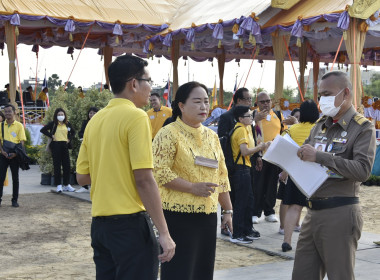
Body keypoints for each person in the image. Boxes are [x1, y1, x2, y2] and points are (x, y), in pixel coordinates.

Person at [76, 54, 175, 279]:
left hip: (100, 226)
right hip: (129, 225)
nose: (151, 88)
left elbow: (82, 177)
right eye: (148, 81)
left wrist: (112, 170)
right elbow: (143, 179)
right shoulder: (136, 117)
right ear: (133, 84)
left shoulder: (96, 120)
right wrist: (164, 232)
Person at [292, 71, 376, 279]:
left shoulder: (362, 128)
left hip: (340, 212)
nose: (322, 100)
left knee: (340, 275)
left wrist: (320, 156)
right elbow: (307, 155)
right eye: (320, 95)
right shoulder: (320, 125)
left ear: (345, 93)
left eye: (327, 94)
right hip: (312, 212)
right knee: (302, 274)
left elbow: (363, 170)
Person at [153, 81, 233, 280]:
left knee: (202, 270)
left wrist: (228, 210)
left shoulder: (212, 137)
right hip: (177, 215)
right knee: (180, 271)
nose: (204, 107)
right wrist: (191, 187)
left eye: (206, 102)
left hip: (206, 216)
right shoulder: (168, 133)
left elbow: (222, 175)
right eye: (197, 102)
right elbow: (159, 172)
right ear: (181, 105)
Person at [276, 100, 319, 252]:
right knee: (316, 208)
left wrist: (285, 170)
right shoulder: (320, 129)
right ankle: (316, 241)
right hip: (315, 173)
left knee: (294, 207)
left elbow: (281, 147)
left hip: (296, 171)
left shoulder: (292, 129)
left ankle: (287, 240)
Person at [230, 105, 269, 244]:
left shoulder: (246, 128)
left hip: (246, 168)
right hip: (240, 169)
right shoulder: (240, 130)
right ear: (240, 118)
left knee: (248, 200)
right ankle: (237, 233)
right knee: (241, 202)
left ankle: (247, 229)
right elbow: (245, 151)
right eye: (248, 116)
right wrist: (260, 147)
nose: (251, 118)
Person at [217, 87, 253, 236]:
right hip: (233, 165)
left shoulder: (248, 118)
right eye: (247, 99)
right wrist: (228, 165)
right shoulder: (227, 117)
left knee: (247, 199)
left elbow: (253, 140)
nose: (250, 102)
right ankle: (229, 227)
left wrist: (257, 157)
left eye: (251, 99)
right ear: (238, 100)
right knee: (231, 198)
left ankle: (246, 227)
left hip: (247, 163)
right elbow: (223, 142)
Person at [252, 92, 287, 224]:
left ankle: (269, 211)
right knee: (257, 184)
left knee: (272, 184)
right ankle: (255, 212)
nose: (266, 104)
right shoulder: (253, 115)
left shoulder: (278, 115)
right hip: (259, 155)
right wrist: (256, 120)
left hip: (274, 155)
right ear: (257, 103)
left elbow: (283, 132)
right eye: (262, 102)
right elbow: (251, 134)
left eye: (268, 101)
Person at [40, 108, 76, 193]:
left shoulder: (67, 124)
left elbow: (73, 132)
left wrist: (69, 139)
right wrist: (51, 135)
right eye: (59, 115)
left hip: (65, 145)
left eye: (62, 114)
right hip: (56, 145)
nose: (61, 116)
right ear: (56, 116)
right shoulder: (53, 124)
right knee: (57, 166)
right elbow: (43, 130)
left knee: (66, 165)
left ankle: (67, 184)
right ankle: (59, 185)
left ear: (64, 115)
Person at [0, 104, 26, 207]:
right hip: (3, 155)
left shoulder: (19, 125)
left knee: (15, 178)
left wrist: (16, 153)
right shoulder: (1, 125)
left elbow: (22, 141)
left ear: (14, 112)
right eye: (5, 111)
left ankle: (14, 200)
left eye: (9, 111)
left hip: (15, 155)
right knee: (1, 177)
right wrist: (2, 151)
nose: (7, 113)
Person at [76, 107, 99, 193]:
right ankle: (84, 186)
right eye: (90, 113)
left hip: (96, 147)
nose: (91, 115)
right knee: (84, 165)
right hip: (86, 146)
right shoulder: (85, 123)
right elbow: (80, 133)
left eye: (93, 113)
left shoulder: (100, 122)